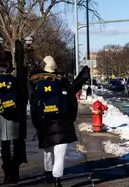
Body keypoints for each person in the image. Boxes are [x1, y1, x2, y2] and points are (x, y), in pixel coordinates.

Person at [29, 56, 90, 186]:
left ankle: (48, 172)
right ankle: (57, 179)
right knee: (60, 153)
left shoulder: (36, 83)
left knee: (48, 151)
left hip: (44, 123)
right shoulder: (62, 81)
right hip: (61, 122)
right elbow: (71, 97)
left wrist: (36, 123)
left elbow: (33, 105)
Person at [0, 50, 27, 184]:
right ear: (10, 59)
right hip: (15, 115)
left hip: (0, 117)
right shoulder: (15, 73)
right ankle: (14, 171)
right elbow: (25, 95)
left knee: (5, 146)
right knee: (18, 143)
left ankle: (7, 170)